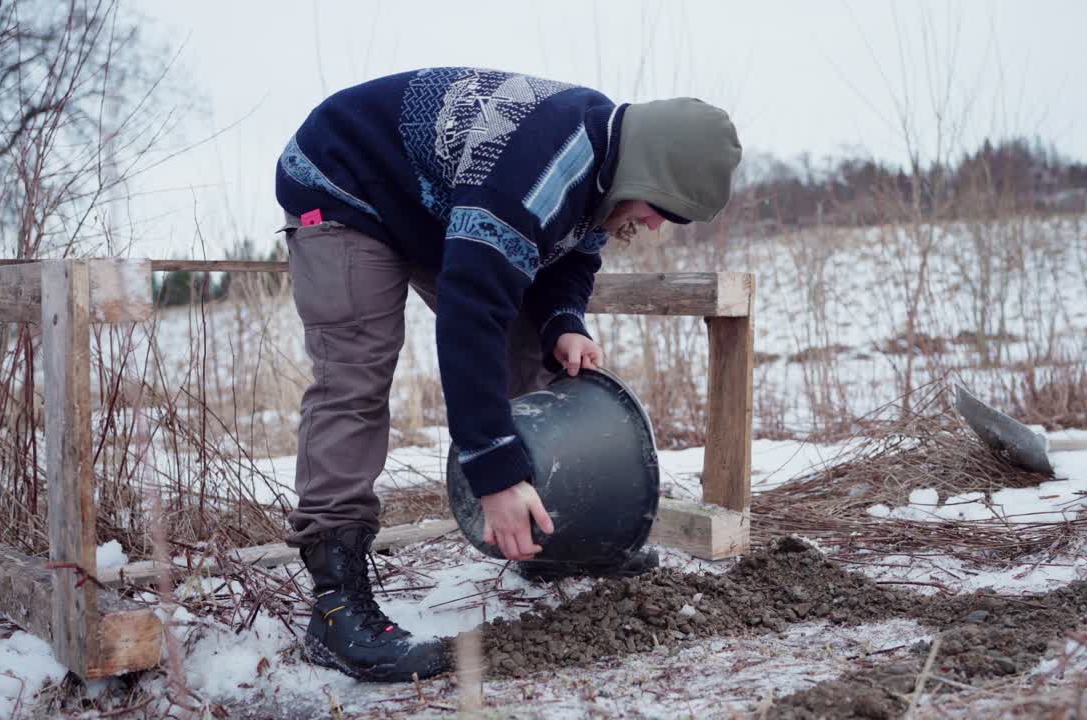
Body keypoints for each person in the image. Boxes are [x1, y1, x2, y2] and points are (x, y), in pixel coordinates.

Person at [275, 67, 741, 681]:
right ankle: (336, 607)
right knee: (355, 376)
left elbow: (572, 253)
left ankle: (550, 540)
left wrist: (563, 322)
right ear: (646, 172)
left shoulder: (601, 163)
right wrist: (493, 474)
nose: (657, 225)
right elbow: (470, 319)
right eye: (663, 210)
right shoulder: (539, 169)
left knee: (529, 350)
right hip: (346, 181)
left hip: (435, 202)